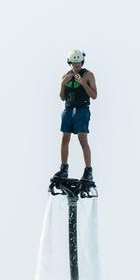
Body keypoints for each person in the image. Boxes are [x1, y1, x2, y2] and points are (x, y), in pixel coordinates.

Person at [52, 49, 98, 184]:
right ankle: (64, 169)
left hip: (82, 109)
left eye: (78, 63)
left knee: (82, 139)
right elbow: (62, 97)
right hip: (68, 109)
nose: (76, 65)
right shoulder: (66, 76)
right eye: (74, 63)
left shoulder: (89, 75)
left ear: (82, 62)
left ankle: (88, 171)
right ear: (70, 63)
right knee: (65, 138)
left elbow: (94, 96)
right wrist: (62, 84)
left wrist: (83, 83)